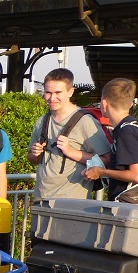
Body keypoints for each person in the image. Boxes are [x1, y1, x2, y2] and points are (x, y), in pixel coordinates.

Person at [28, 68, 111, 200]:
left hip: (72, 200)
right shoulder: (41, 121)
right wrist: (35, 153)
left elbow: (106, 159)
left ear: (70, 92)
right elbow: (33, 160)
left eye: (58, 93)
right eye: (48, 92)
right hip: (41, 197)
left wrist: (70, 151)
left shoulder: (86, 121)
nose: (52, 98)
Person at [84, 78, 138, 200]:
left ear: (104, 103)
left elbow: (137, 176)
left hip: (127, 203)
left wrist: (101, 172)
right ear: (131, 104)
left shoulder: (126, 132)